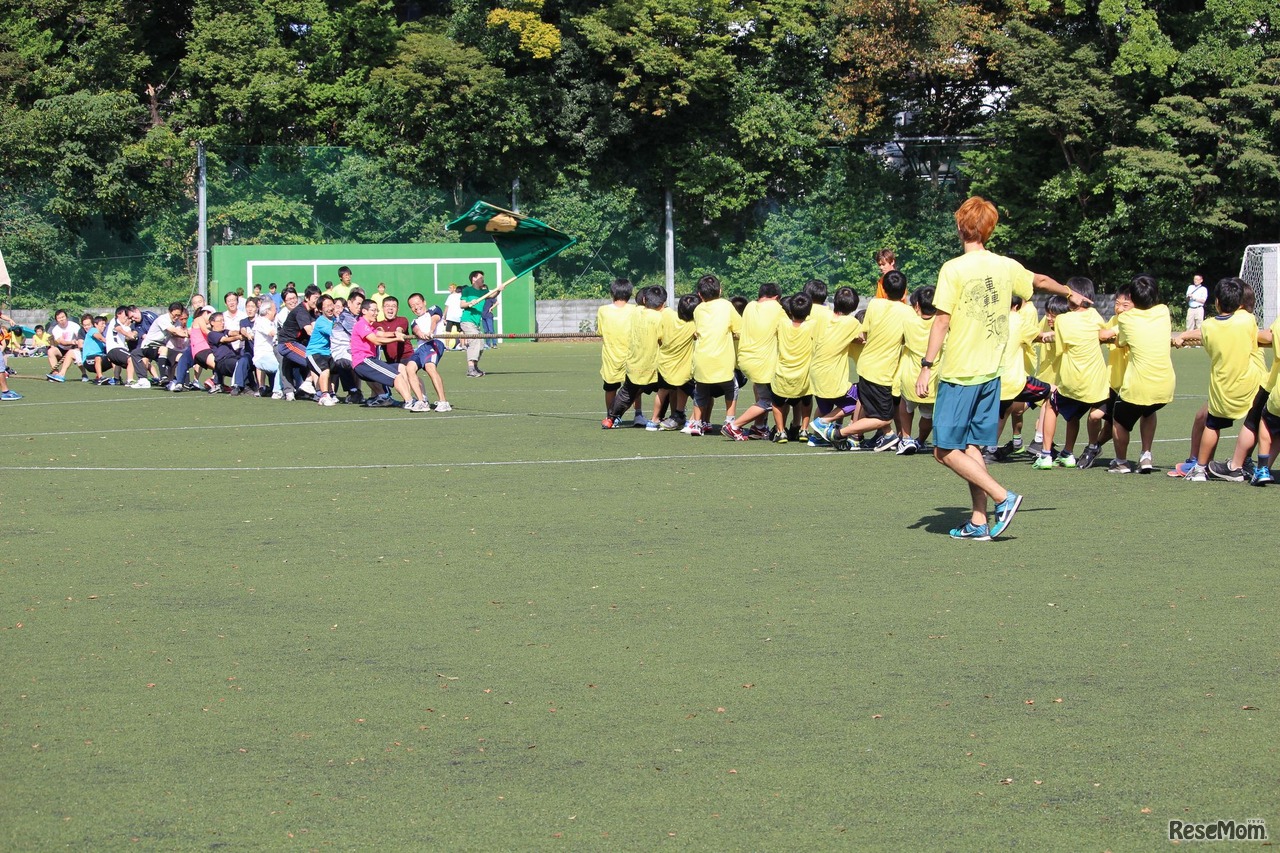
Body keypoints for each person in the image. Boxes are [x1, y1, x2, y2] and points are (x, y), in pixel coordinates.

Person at [914, 196, 1082, 541]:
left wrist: (926, 365)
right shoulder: (1006, 265)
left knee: (943, 450)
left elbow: (941, 320)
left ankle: (1003, 497)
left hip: (962, 372)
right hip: (992, 373)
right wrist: (1070, 293)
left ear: (961, 226)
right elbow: (1039, 280)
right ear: (989, 229)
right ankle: (978, 521)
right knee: (972, 448)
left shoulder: (954, 268)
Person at [1173, 278, 1270, 481]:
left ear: (1216, 301)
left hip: (1223, 386)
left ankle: (1200, 468)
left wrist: (1183, 335)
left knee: (1212, 424)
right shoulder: (1247, 320)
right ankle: (1243, 462)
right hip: (1251, 384)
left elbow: (1204, 336)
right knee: (1251, 424)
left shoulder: (1209, 326)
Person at [811, 269, 914, 451]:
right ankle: (839, 433)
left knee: (864, 402)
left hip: (865, 365)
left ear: (884, 288)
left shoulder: (874, 304)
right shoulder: (908, 312)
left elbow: (864, 333)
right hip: (882, 371)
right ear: (905, 290)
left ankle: (882, 436)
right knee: (884, 416)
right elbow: (909, 339)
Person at [1100, 275, 1175, 473]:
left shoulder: (1126, 319)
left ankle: (1122, 462)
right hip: (1165, 385)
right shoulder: (1163, 311)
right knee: (1149, 411)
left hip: (1138, 385)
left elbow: (1121, 341)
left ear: (1132, 298)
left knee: (1119, 421)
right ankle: (1146, 456)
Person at [1032, 277, 1108, 470]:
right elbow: (1102, 332)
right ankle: (1068, 452)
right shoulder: (1095, 315)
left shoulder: (1063, 320)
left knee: (1051, 406)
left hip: (1073, 381)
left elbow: (1060, 347)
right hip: (1096, 382)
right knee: (1074, 416)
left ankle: (1046, 454)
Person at [728, 282, 784, 439]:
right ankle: (734, 426)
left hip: (746, 359)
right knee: (768, 401)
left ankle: (759, 427)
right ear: (777, 298)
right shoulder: (777, 309)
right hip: (763, 362)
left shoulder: (750, 307)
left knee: (761, 394)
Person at [603, 286, 665, 429]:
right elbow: (662, 338)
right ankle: (663, 417)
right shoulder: (659, 317)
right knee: (667, 389)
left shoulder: (635, 311)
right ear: (663, 303)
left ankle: (610, 419)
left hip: (634, 364)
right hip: (653, 366)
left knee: (625, 394)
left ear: (643, 300)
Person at [687, 274, 741, 436]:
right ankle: (729, 420)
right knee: (732, 387)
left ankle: (696, 424)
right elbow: (739, 329)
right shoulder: (726, 306)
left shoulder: (697, 309)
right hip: (722, 360)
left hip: (702, 359)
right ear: (720, 290)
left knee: (701, 391)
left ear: (700, 295)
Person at [350, 298, 423, 410]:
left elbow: (381, 334)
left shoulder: (368, 326)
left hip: (369, 361)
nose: (376, 313)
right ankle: (410, 401)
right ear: (364, 311)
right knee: (396, 376)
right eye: (373, 310)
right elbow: (376, 340)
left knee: (401, 367)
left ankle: (408, 399)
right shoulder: (361, 324)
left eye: (377, 310)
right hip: (363, 362)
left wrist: (395, 333)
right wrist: (396, 339)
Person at [769, 293, 815, 441]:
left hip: (783, 372)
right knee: (806, 401)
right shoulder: (811, 325)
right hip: (803, 374)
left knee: (777, 403)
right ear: (808, 311)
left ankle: (781, 431)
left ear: (790, 311)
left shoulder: (782, 323)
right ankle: (803, 429)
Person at [650, 294, 699, 431]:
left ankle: (654, 420)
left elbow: (659, 335)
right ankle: (692, 421)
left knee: (662, 392)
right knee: (699, 395)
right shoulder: (693, 326)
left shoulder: (667, 314)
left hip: (664, 365)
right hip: (683, 369)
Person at [406, 292, 452, 411]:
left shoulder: (434, 309)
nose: (416, 307)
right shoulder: (414, 322)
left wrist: (431, 332)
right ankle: (421, 401)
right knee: (409, 368)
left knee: (430, 367)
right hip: (421, 347)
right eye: (412, 306)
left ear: (424, 302)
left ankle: (443, 402)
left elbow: (434, 320)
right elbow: (416, 330)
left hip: (435, 342)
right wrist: (421, 334)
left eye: (418, 303)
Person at [597, 278, 635, 419]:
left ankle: (610, 416)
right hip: (631, 355)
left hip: (611, 356)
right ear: (630, 293)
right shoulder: (635, 310)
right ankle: (638, 414)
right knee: (635, 385)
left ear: (612, 292)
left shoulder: (603, 310)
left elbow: (600, 331)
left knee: (610, 387)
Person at [459, 271, 506, 377]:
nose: (483, 280)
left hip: (476, 323)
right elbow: (462, 305)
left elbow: (492, 294)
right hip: (467, 321)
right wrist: (470, 303)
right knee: (475, 342)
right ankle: (471, 369)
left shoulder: (483, 292)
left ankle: (474, 367)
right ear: (474, 279)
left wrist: (499, 290)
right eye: (481, 278)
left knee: (481, 345)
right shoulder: (467, 290)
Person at [45, 309, 82, 381]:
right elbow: (62, 342)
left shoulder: (74, 325)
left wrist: (76, 343)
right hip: (61, 349)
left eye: (63, 317)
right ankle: (55, 373)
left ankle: (84, 374)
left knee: (76, 353)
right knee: (51, 351)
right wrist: (72, 342)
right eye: (59, 318)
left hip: (73, 348)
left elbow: (79, 336)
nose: (61, 319)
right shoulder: (56, 329)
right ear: (56, 320)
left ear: (66, 317)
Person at [443, 284, 464, 350]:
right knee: (461, 332)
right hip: (459, 317)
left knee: (448, 332)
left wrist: (444, 317)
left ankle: (447, 346)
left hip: (450, 317)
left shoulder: (451, 296)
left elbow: (447, 307)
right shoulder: (462, 296)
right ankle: (462, 346)